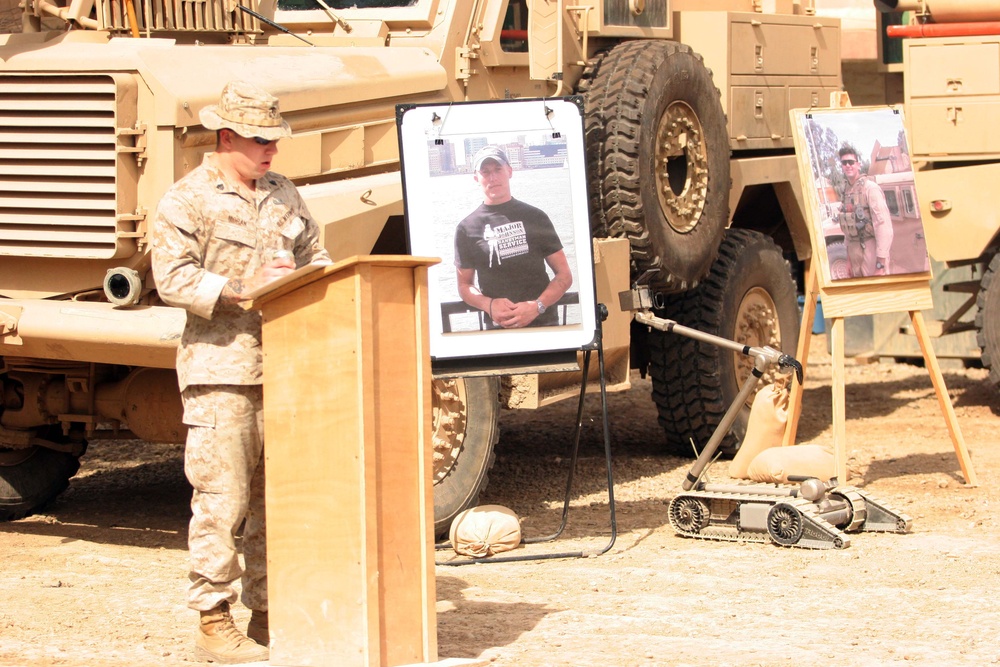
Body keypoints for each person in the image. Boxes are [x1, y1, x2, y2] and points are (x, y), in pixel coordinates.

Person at [151, 80, 332, 664]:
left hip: (284, 367)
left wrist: (306, 277)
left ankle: (268, 611)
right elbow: (171, 278)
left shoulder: (284, 193)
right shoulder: (188, 199)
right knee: (222, 500)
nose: (271, 152)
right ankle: (212, 618)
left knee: (276, 502)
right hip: (221, 372)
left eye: (275, 141)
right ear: (226, 137)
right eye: (259, 141)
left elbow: (317, 258)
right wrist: (239, 288)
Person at [454, 145, 573, 329]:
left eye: (498, 169)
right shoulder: (466, 228)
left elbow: (564, 275)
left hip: (545, 326)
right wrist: (489, 305)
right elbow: (464, 285)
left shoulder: (536, 217)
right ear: (476, 178)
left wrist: (537, 306)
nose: (493, 178)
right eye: (485, 172)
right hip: (497, 332)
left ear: (509, 171)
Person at [836, 146, 893, 278]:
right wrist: (849, 261)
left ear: (858, 165)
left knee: (879, 293)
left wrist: (880, 264)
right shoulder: (846, 192)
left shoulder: (870, 188)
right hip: (854, 252)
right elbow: (848, 230)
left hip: (870, 250)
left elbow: (883, 226)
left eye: (851, 162)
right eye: (844, 163)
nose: (848, 165)